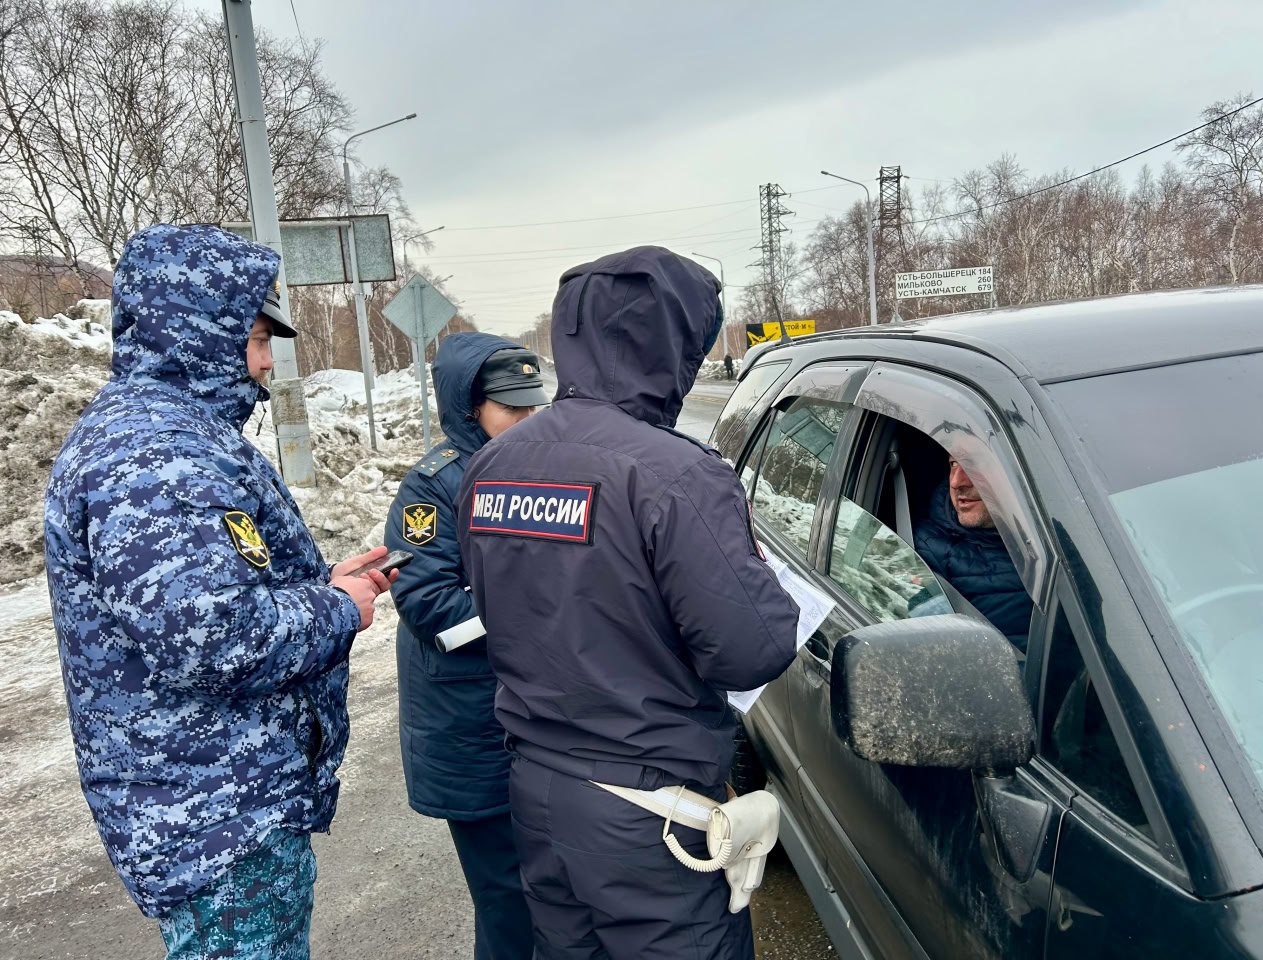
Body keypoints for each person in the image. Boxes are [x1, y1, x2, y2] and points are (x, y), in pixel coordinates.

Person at [43, 223, 395, 959]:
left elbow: (209, 593)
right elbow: (210, 637)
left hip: (220, 801)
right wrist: (338, 608)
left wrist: (317, 584)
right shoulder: (156, 453)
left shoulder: (170, 433)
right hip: (214, 815)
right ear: (197, 330)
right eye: (258, 340)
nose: (267, 362)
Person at [455, 246, 800, 960]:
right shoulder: (674, 472)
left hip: (539, 791)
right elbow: (751, 651)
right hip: (647, 815)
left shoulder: (493, 464)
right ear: (672, 342)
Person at [384, 334, 547, 960]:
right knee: (509, 898)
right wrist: (546, 613)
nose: (526, 419)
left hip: (538, 721)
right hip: (472, 726)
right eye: (511, 408)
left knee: (553, 890)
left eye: (533, 405)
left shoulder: (545, 469)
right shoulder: (434, 487)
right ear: (470, 406)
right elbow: (429, 605)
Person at [914, 456, 1033, 650]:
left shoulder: (1062, 539)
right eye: (953, 464)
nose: (956, 482)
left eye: (975, 463)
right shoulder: (923, 552)